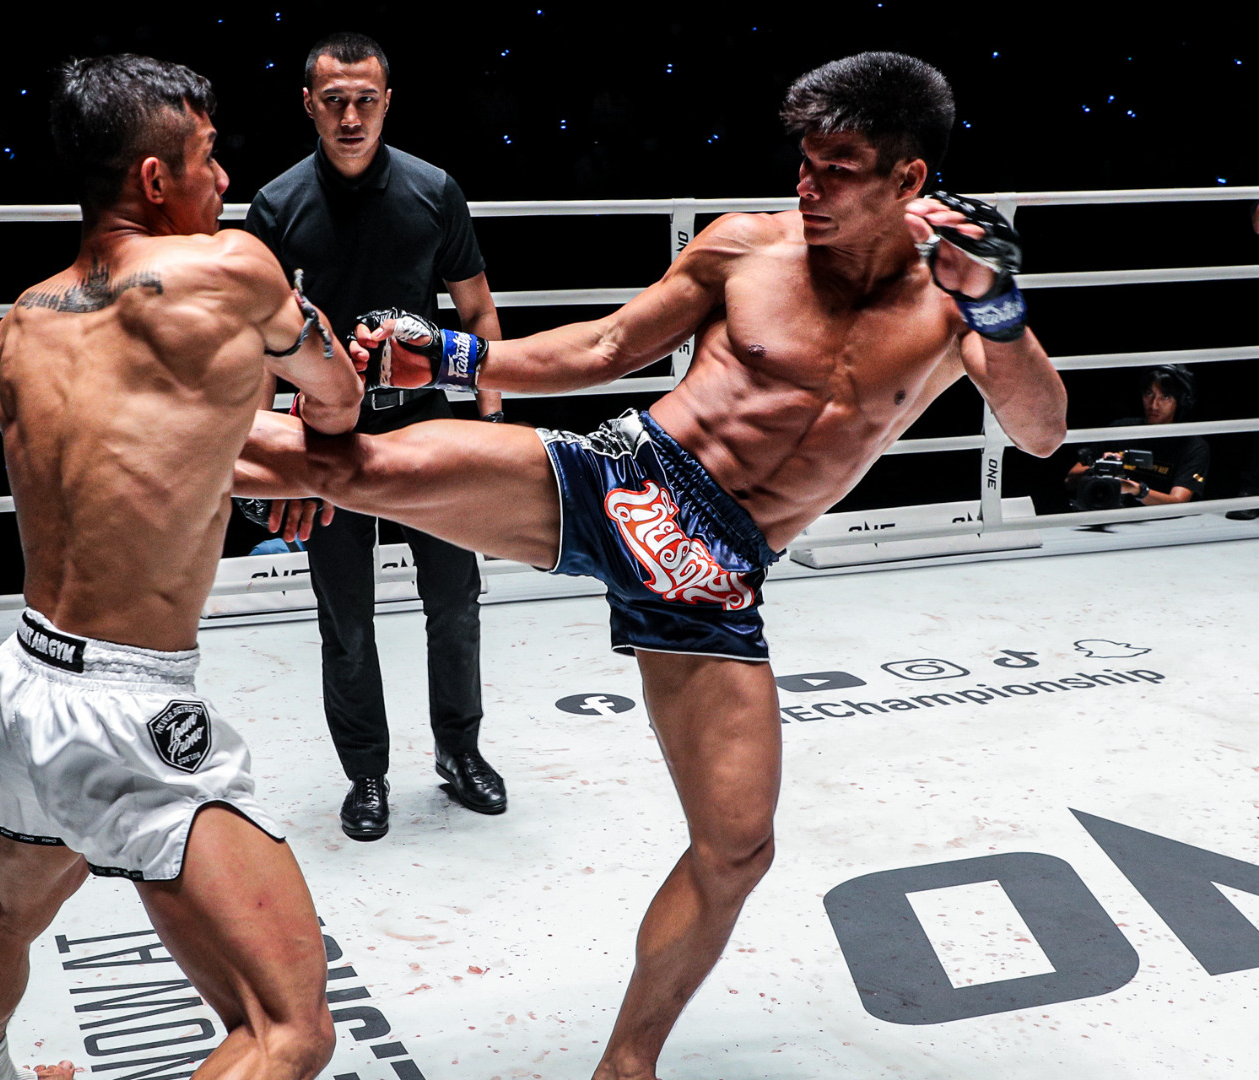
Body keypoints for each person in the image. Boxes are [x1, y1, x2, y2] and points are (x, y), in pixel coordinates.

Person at [235, 52, 1067, 1078]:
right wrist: (454, 355)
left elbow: (1041, 431)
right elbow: (605, 348)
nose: (807, 187)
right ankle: (100, 433)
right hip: (627, 477)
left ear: (910, 179)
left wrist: (998, 309)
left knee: (738, 848)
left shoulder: (954, 304)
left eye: (838, 170)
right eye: (804, 163)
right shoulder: (746, 247)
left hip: (716, 575)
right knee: (356, 468)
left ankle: (626, 1064)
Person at [0, 54, 362, 1080]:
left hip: (25, 685)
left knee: (12, 914)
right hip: (131, 705)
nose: (227, 180)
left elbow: (128, 442)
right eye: (209, 157)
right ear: (157, 180)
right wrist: (308, 452)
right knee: (289, 1031)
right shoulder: (235, 269)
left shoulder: (24, 319)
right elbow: (338, 394)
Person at [242, 32, 507, 841]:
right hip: (326, 434)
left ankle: (460, 753)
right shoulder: (276, 205)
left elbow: (478, 312)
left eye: (365, 100)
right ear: (309, 104)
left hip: (425, 425)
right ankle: (365, 774)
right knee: (346, 621)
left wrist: (492, 425)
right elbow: (259, 343)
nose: (350, 117)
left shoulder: (433, 189)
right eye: (335, 101)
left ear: (388, 102)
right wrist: (261, 456)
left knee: (455, 603)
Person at [1066, 364, 1208, 508]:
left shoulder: (1193, 446)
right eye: (1149, 394)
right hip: (1111, 513)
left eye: (1165, 397)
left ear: (1181, 401)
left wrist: (1137, 490)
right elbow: (1070, 479)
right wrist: (1098, 468)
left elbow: (1178, 502)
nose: (1154, 405)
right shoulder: (1121, 429)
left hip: (1160, 519)